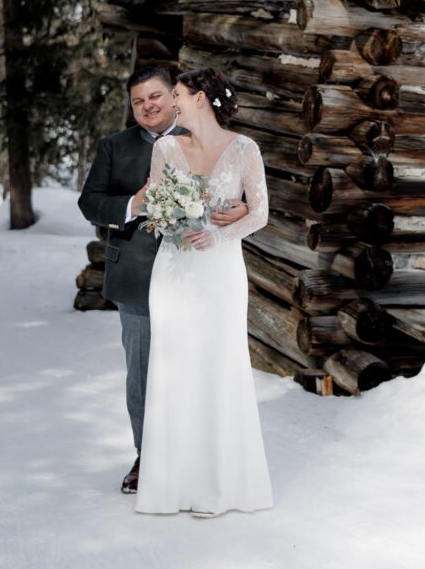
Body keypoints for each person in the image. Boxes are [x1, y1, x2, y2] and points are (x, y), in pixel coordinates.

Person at [78, 66, 249, 495]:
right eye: (138, 101)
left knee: (194, 370)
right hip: (137, 279)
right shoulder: (113, 147)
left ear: (173, 98)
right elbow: (90, 202)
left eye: (155, 96)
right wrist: (134, 203)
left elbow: (235, 192)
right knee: (143, 375)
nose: (147, 106)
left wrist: (243, 209)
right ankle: (147, 457)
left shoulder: (204, 138)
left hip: (195, 276)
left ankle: (195, 459)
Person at [135, 67, 273, 517]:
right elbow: (155, 202)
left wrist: (217, 236)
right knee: (174, 370)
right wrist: (168, 213)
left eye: (177, 94)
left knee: (218, 367)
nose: (171, 103)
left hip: (220, 272)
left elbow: (260, 213)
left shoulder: (244, 149)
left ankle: (216, 487)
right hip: (173, 270)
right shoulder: (166, 148)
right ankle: (170, 486)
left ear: (201, 98)